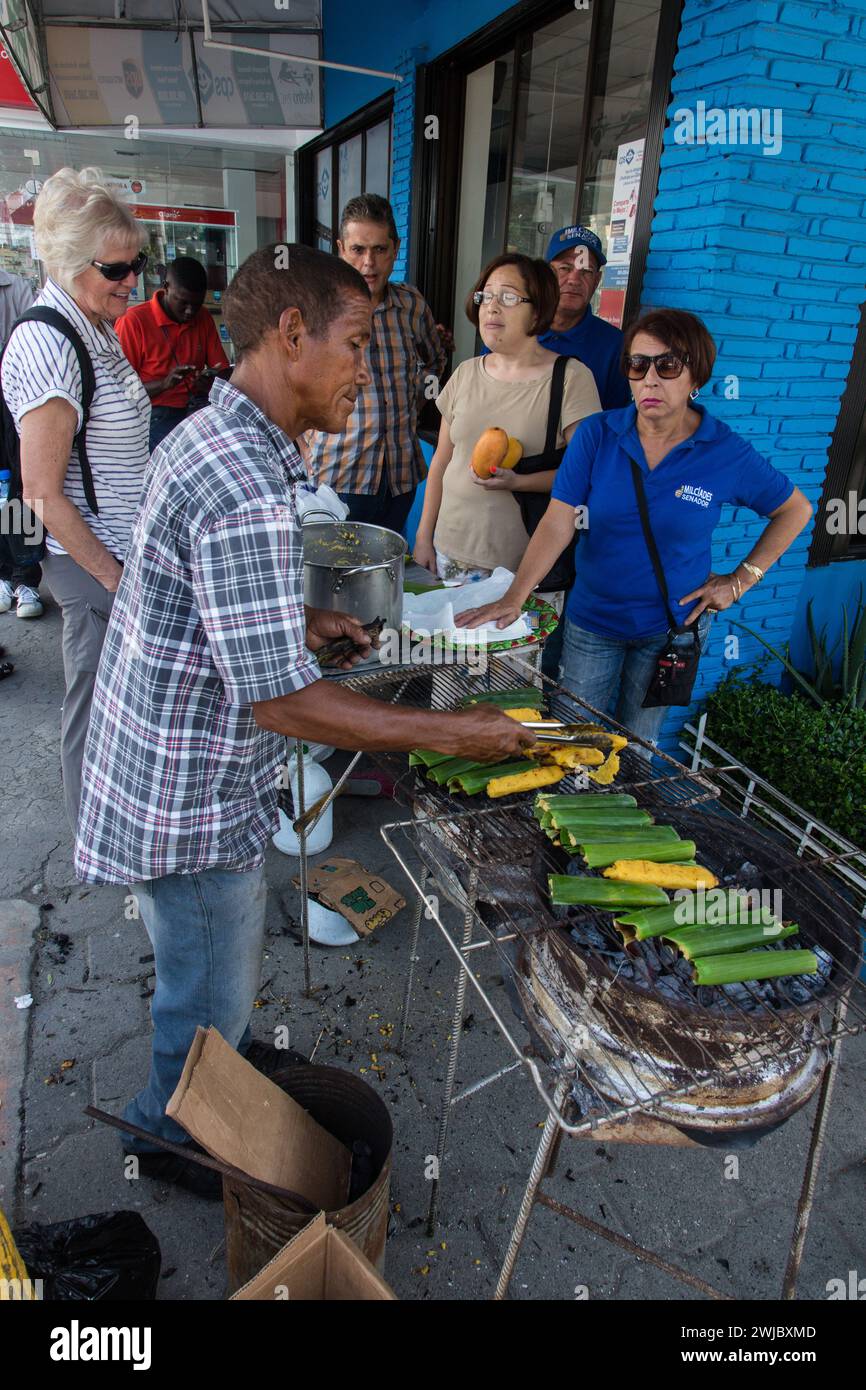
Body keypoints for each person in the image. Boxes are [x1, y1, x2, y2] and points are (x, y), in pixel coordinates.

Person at [74, 244, 532, 1198]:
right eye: (356, 344)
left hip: (170, 765)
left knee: (208, 977)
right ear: (291, 335)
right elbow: (278, 700)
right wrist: (459, 732)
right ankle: (175, 1137)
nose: (369, 371)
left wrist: (307, 620)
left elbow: (216, 600)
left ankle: (222, 1068)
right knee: (201, 991)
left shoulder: (221, 439)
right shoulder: (242, 476)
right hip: (190, 799)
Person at [457, 308, 812, 750]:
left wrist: (742, 580)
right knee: (574, 745)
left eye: (667, 366)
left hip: (670, 629)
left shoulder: (724, 452)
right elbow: (558, 520)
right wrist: (515, 596)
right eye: (637, 364)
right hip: (592, 623)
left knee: (637, 747)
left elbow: (795, 510)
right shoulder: (598, 436)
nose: (649, 379)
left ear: (695, 376)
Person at [1, 168, 151, 827]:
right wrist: (116, 581)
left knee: (121, 707)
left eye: (138, 263)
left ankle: (122, 825)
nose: (132, 281)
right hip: (91, 563)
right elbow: (42, 491)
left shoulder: (92, 323)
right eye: (116, 268)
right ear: (67, 262)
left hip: (121, 553)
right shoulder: (48, 340)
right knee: (94, 711)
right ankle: (97, 839)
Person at [413, 253, 600, 582]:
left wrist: (520, 482)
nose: (491, 306)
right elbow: (442, 461)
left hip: (521, 569)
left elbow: (589, 475)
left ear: (538, 310)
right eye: (485, 296)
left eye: (509, 297)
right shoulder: (465, 373)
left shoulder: (570, 378)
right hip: (449, 553)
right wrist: (423, 536)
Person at [306, 194, 447, 535]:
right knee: (338, 582)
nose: (369, 262)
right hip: (340, 476)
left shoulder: (411, 305)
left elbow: (436, 359)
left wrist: (412, 400)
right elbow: (293, 383)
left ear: (395, 249)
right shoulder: (317, 310)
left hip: (399, 475)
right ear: (341, 248)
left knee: (388, 577)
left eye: (379, 249)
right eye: (358, 249)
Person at [116, 255, 230, 451]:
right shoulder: (133, 322)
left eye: (196, 304)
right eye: (183, 303)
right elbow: (121, 390)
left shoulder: (202, 317)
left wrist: (209, 381)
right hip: (154, 413)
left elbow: (223, 370)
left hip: (197, 406)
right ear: (166, 287)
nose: (189, 311)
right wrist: (163, 384)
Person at [540, 225, 631, 410]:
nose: (574, 279)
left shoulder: (615, 345)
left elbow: (614, 420)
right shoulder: (514, 330)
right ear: (546, 275)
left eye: (586, 272)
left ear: (597, 281)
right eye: (565, 268)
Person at [0, 267, 43, 618]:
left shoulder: (15, 287)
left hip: (11, 396)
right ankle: (3, 574)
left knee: (18, 488)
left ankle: (24, 577)